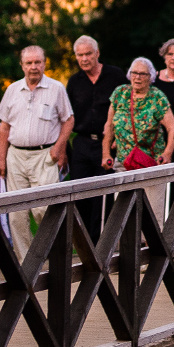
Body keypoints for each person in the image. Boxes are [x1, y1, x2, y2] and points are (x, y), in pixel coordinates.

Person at [0, 46, 74, 261]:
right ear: (22, 65)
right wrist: (2, 159)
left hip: (44, 156)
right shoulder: (12, 90)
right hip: (16, 157)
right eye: (29, 63)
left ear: (44, 63)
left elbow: (68, 120)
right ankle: (26, 262)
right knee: (16, 215)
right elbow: (4, 126)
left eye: (37, 62)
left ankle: (53, 256)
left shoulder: (56, 88)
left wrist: (58, 148)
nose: (33, 67)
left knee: (44, 209)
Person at [104, 57, 174, 226]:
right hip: (124, 162)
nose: (137, 77)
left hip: (151, 163)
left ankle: (154, 250)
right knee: (123, 215)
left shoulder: (157, 97)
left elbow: (173, 129)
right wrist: (106, 154)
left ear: (151, 77)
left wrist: (167, 154)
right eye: (134, 73)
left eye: (142, 74)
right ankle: (127, 250)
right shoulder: (120, 93)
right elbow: (109, 125)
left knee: (153, 216)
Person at [66, 36, 127, 242]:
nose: (84, 59)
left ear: (97, 53)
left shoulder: (115, 75)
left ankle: (101, 243)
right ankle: (85, 244)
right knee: (79, 192)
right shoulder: (75, 82)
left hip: (109, 143)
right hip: (82, 142)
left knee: (103, 194)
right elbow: (67, 116)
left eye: (88, 54)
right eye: (80, 55)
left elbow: (127, 106)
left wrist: (119, 137)